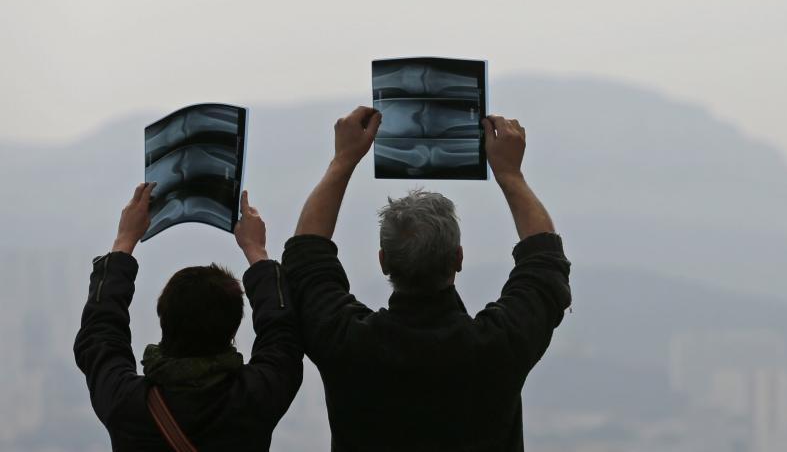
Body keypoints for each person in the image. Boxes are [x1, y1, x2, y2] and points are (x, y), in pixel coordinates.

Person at [284, 106, 572, 451]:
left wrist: (343, 160)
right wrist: (510, 174)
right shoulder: (497, 348)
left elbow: (306, 259)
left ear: (383, 261)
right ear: (459, 258)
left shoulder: (347, 345)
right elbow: (544, 263)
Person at [73, 185, 303, 451]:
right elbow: (282, 334)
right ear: (231, 332)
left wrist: (124, 241)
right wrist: (255, 249)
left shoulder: (127, 404)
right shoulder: (255, 398)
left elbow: (100, 334)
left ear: (164, 321)